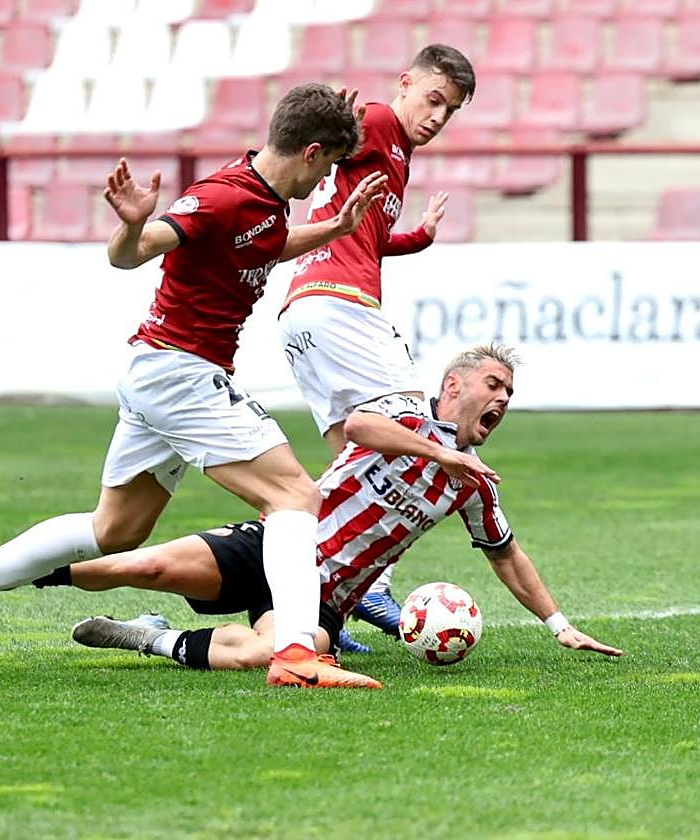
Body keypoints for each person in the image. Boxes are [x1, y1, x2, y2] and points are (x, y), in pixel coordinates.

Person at [0, 83, 389, 691]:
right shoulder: (221, 197)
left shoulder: (267, 202)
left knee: (115, 530)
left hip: (159, 371)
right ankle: (296, 654)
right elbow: (132, 254)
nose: (324, 181)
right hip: (180, 372)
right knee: (294, 497)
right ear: (311, 151)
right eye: (326, 168)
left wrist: (333, 227)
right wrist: (133, 226)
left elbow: (265, 245)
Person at [53, 344, 623, 670]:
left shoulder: (475, 484)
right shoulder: (402, 413)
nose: (502, 399)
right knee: (131, 564)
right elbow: (356, 425)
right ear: (453, 385)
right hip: (275, 544)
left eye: (509, 395)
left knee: (267, 657)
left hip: (327, 597)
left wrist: (560, 625)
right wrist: (440, 453)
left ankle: (147, 637)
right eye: (494, 385)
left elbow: (508, 556)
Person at [280, 44, 477, 635]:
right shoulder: (381, 123)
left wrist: (418, 236)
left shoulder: (398, 157)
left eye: (452, 109)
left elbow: (369, 236)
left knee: (354, 465)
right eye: (434, 98)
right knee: (414, 430)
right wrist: (339, 122)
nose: (439, 116)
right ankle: (373, 587)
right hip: (342, 305)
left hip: (303, 313)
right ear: (406, 84)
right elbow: (345, 125)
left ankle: (312, 594)